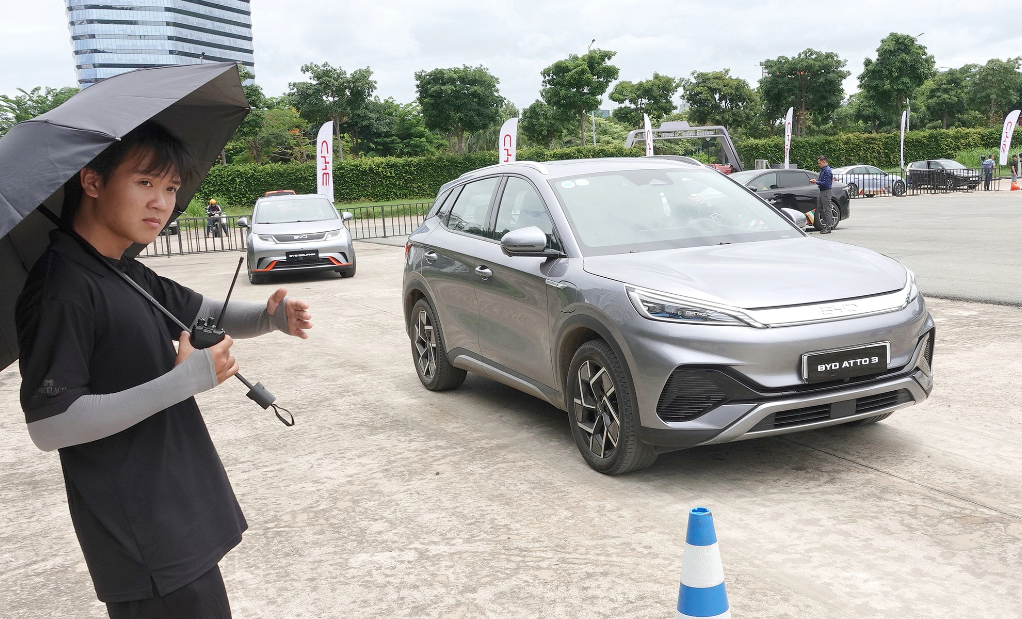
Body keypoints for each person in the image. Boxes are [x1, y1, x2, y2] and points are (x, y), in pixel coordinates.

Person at [16, 121, 314, 619]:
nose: (162, 203)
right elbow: (51, 423)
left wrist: (269, 317)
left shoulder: (120, 267)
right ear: (91, 181)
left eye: (171, 188)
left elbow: (203, 313)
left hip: (177, 507)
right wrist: (184, 381)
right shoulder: (62, 288)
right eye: (145, 183)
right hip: (139, 531)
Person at [809, 155, 835, 234]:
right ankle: (827, 224)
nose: (818, 165)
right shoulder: (823, 170)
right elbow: (822, 181)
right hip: (822, 191)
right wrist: (816, 181)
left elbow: (826, 184)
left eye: (819, 163)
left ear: (824, 161)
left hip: (826, 191)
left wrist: (816, 182)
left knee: (827, 209)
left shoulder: (827, 171)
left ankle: (828, 227)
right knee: (820, 208)